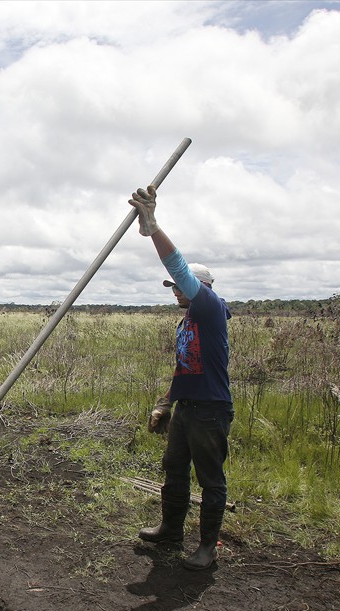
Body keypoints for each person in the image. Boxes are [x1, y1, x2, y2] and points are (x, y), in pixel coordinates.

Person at [128, 185, 233, 570]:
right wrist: (164, 404)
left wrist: (152, 226)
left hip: (211, 410)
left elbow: (179, 267)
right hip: (188, 408)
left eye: (178, 287)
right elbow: (183, 367)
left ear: (199, 288)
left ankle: (208, 547)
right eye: (173, 289)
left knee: (210, 479)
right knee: (174, 471)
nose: (174, 291)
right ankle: (171, 530)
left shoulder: (209, 307)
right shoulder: (187, 321)